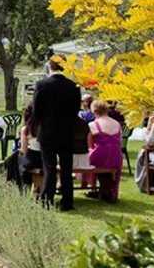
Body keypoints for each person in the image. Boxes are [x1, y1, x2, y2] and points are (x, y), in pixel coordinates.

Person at [30, 58, 81, 211]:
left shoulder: (42, 85)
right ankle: (67, 201)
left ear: (49, 66)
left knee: (49, 167)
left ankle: (47, 199)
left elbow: (36, 110)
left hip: (48, 131)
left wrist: (37, 126)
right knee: (66, 167)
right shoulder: (73, 86)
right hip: (67, 131)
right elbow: (76, 110)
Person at [87, 100, 123, 202]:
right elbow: (119, 142)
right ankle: (108, 191)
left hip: (100, 156)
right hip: (116, 157)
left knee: (87, 157)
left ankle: (93, 187)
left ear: (94, 111)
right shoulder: (117, 123)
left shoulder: (92, 124)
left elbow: (89, 145)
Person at [17, 104, 42, 194]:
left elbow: (24, 149)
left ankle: (24, 188)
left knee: (18, 162)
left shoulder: (26, 129)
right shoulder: (46, 126)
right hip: (45, 157)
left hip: (33, 157)